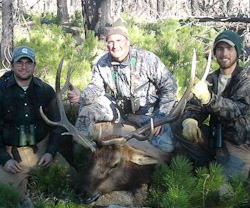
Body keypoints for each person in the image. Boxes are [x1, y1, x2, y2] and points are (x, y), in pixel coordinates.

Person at [0, 46, 72, 208]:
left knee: (71, 178)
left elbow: (58, 126)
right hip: (12, 153)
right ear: (12, 65)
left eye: (28, 63)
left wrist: (51, 152)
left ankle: (31, 187)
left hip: (41, 149)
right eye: (20, 62)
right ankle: (25, 195)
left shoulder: (45, 90)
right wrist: (4, 159)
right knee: (4, 193)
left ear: (34, 66)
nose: (24, 67)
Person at [68, 18, 177, 152]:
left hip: (148, 115)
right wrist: (81, 96)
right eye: (111, 42)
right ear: (106, 44)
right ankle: (82, 154)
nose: (115, 46)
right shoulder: (102, 62)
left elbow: (170, 87)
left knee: (167, 147)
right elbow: (96, 88)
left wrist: (160, 116)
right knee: (87, 110)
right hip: (119, 111)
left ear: (127, 41)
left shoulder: (147, 60)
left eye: (119, 41)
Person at [171, 30, 250, 184]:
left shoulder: (248, 80)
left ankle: (226, 170)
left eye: (230, 49)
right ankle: (205, 165)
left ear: (238, 52)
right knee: (178, 126)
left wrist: (209, 99)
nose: (224, 54)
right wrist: (190, 120)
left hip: (240, 144)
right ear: (215, 52)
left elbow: (237, 109)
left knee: (222, 194)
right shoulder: (211, 78)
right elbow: (194, 107)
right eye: (220, 49)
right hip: (218, 139)